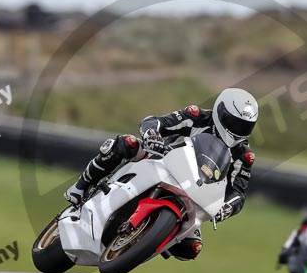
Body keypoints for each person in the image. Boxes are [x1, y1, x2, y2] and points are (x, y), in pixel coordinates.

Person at [64, 88, 258, 261]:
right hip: (162, 160)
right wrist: (152, 135)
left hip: (195, 192)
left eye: (244, 126)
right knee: (127, 144)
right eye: (233, 122)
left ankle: (152, 236)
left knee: (191, 249)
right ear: (220, 111)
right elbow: (154, 121)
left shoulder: (244, 156)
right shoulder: (196, 116)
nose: (237, 130)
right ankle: (81, 186)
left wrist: (225, 208)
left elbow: (238, 194)